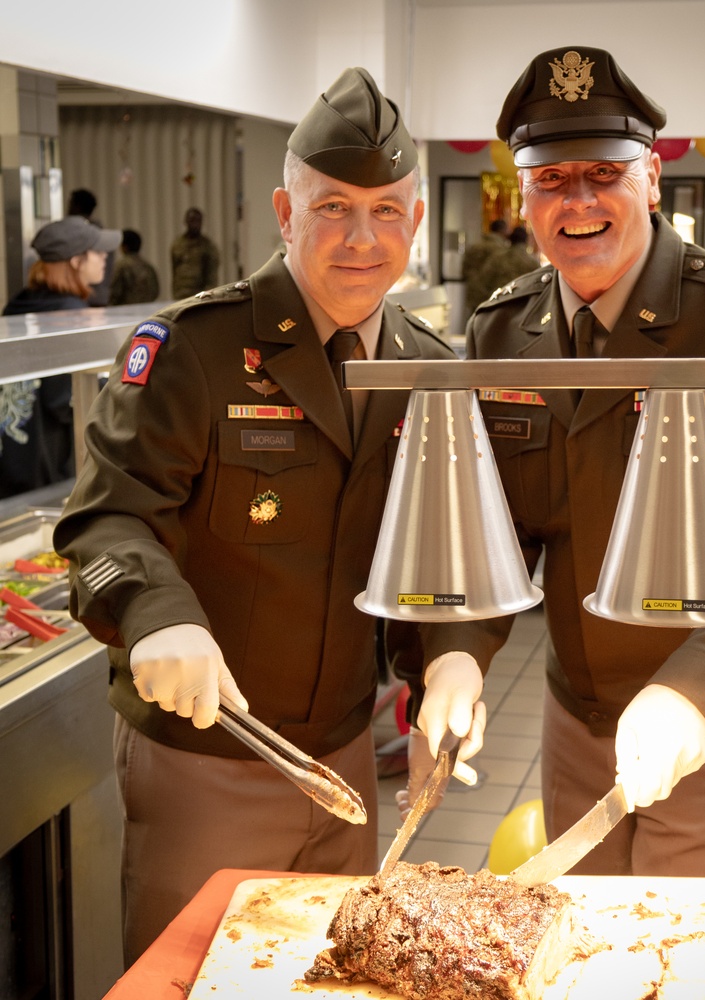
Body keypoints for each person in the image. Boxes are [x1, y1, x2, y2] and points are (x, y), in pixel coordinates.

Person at [53, 67, 484, 966]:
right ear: (287, 213)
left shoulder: (425, 363)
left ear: (412, 219)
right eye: (334, 209)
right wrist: (153, 614)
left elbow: (441, 549)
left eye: (387, 211)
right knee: (201, 977)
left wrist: (450, 657)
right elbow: (107, 517)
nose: (362, 238)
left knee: (332, 978)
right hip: (208, 760)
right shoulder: (195, 348)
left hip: (347, 755)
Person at [410, 46, 705, 881]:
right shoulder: (502, 333)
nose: (576, 202)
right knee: (578, 935)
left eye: (602, 174)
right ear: (524, 193)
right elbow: (489, 530)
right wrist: (457, 650)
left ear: (651, 177)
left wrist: (699, 685)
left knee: (681, 946)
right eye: (550, 179)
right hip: (574, 711)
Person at [2, 215, 121, 497]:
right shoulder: (71, 316)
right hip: (46, 472)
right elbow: (67, 398)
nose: (105, 257)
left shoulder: (17, 306)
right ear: (76, 261)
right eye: (97, 250)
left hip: (10, 465)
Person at [67, 187, 115, 307]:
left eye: (70, 203)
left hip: (83, 298)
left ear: (76, 206)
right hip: (100, 297)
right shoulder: (103, 233)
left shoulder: (78, 234)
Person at [461, 218, 508, 322]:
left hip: (473, 293)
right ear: (502, 231)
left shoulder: (475, 246)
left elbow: (464, 270)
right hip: (491, 294)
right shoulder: (501, 249)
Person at [170, 207, 220, 298]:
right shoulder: (177, 244)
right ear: (186, 221)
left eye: (198, 221)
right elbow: (174, 270)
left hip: (198, 294)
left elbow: (212, 275)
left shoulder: (208, 246)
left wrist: (208, 294)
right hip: (180, 294)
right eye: (192, 220)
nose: (195, 224)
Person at [478, 224, 538, 298]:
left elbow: (484, 279)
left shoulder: (498, 258)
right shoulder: (532, 262)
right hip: (522, 301)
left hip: (499, 300)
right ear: (526, 240)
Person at [109, 229, 161, 305]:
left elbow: (114, 293)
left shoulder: (121, 266)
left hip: (125, 313)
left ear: (124, 247)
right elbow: (155, 292)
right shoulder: (148, 266)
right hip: (147, 311)